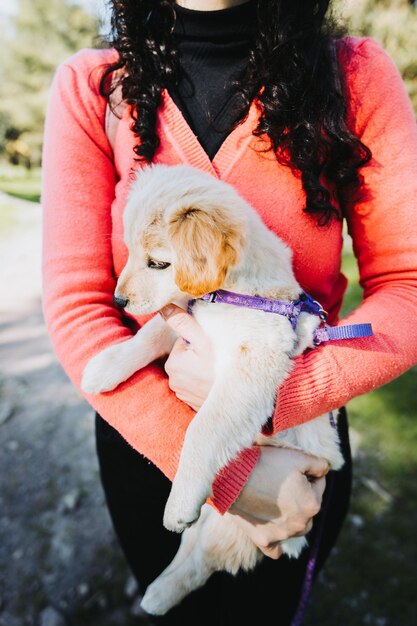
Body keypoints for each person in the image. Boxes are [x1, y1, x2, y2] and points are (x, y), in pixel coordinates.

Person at [41, 0, 417, 624]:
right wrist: (232, 470)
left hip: (297, 449)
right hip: (146, 443)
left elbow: (408, 282)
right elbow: (78, 305)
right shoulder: (92, 88)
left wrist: (277, 396)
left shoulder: (353, 75)